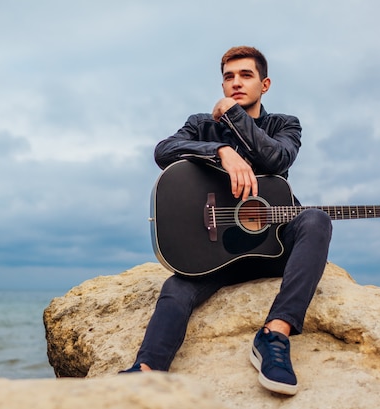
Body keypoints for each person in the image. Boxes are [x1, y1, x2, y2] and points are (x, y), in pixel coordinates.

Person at [119, 46, 333, 396]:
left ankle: (273, 336)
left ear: (265, 84)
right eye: (229, 77)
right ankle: (147, 369)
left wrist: (234, 114)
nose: (236, 83)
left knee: (316, 220)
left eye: (245, 76)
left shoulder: (284, 125)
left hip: (273, 248)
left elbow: (276, 160)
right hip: (218, 255)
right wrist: (221, 151)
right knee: (176, 288)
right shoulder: (201, 125)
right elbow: (164, 151)